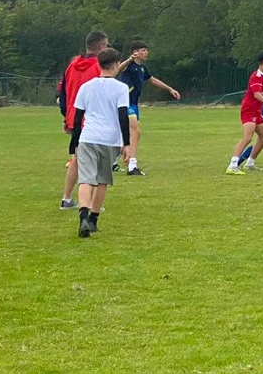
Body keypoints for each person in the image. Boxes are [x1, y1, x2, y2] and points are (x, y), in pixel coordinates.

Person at [68, 48, 131, 238]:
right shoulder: (121, 88)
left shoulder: (86, 87)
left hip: (88, 137)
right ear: (116, 65)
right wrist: (127, 143)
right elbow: (123, 116)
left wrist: (74, 144)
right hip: (110, 139)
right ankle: (93, 219)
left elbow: (77, 118)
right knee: (102, 180)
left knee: (86, 179)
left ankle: (83, 216)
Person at [58, 30, 108, 210]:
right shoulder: (99, 67)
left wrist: (66, 117)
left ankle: (66, 198)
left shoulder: (72, 65)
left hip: (75, 118)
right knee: (94, 161)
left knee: (78, 159)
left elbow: (63, 94)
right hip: (92, 120)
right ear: (101, 46)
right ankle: (91, 203)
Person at [117, 40, 181, 176]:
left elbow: (152, 80)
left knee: (131, 134)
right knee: (135, 131)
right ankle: (132, 166)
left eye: (146, 50)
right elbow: (118, 69)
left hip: (134, 103)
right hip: (125, 103)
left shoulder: (142, 68)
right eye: (143, 50)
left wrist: (169, 89)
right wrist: (129, 59)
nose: (146, 52)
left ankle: (114, 158)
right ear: (135, 52)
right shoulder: (129, 65)